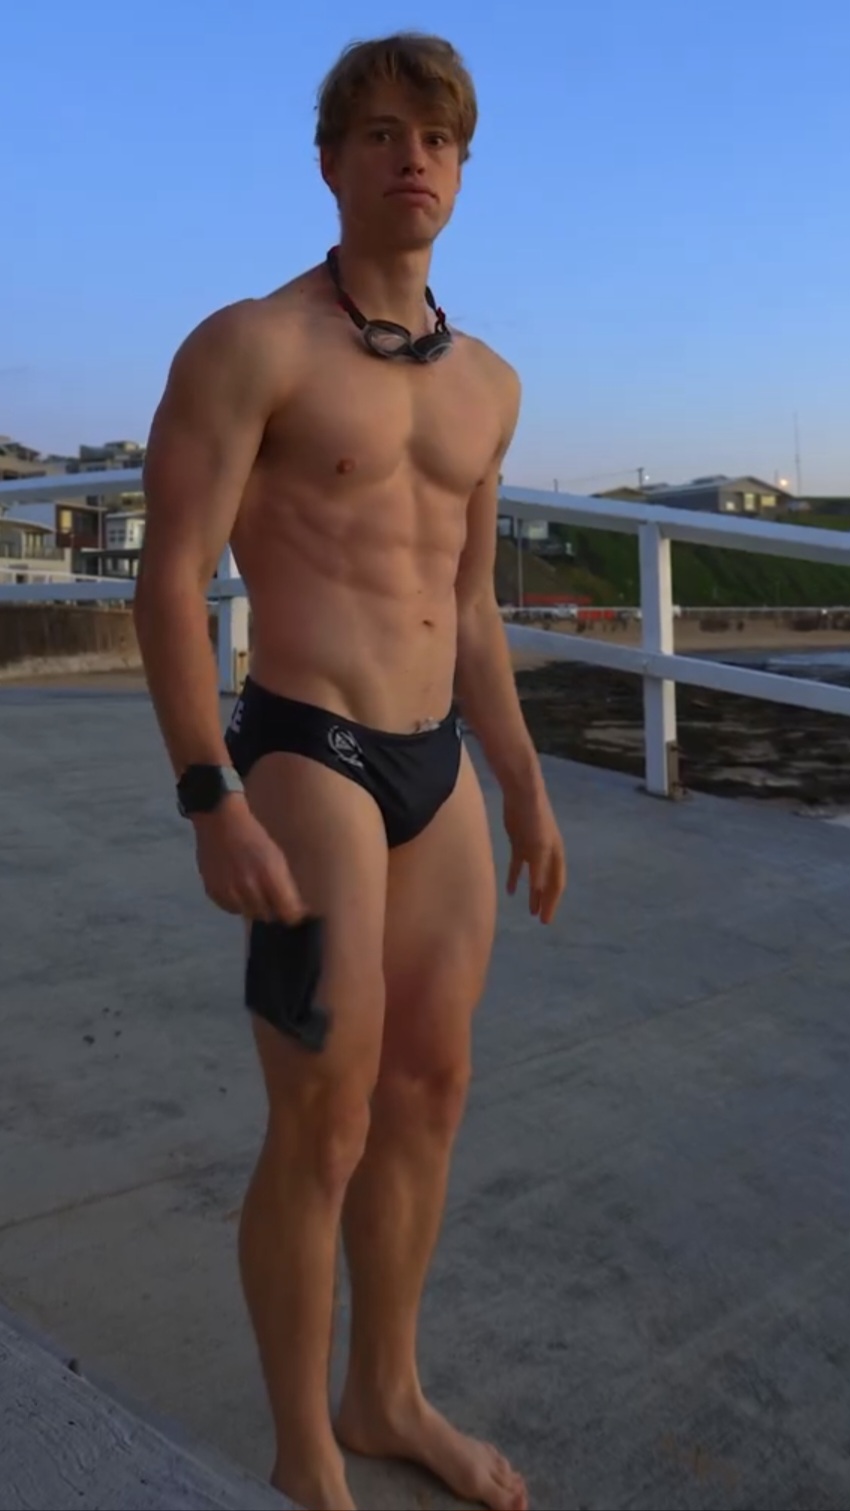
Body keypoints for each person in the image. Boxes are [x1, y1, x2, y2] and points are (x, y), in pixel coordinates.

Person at [134, 31, 566, 1511]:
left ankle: (384, 1394)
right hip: (305, 749)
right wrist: (210, 795)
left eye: (435, 138)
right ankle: (304, 1453)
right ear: (329, 162)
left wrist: (524, 782)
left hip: (436, 766)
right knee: (323, 1117)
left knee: (429, 1089)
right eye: (379, 133)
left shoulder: (488, 385)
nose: (410, 158)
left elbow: (473, 605)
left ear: (462, 168)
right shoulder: (251, 346)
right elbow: (168, 580)